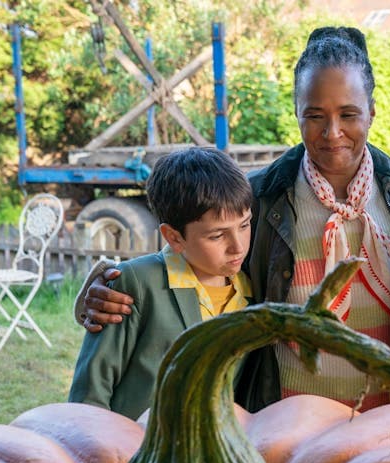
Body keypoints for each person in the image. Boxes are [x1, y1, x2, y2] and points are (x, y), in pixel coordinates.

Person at [77, 27, 390, 412]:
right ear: (296, 112)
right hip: (287, 429)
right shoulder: (259, 199)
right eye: (314, 115)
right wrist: (102, 291)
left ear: (372, 111)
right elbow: (184, 262)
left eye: (348, 114)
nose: (332, 133)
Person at [68, 147, 253, 419]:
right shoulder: (134, 283)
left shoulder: (252, 290)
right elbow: (91, 390)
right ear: (174, 237)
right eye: (217, 236)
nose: (237, 246)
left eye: (245, 225)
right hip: (132, 450)